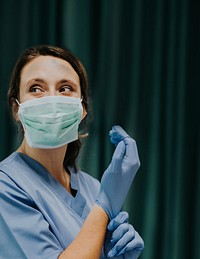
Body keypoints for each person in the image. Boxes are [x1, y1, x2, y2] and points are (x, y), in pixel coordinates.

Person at [0, 45, 144, 258]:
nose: (51, 100)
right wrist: (104, 206)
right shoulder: (7, 186)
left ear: (82, 109)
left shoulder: (93, 187)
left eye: (65, 88)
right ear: (16, 109)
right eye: (36, 89)